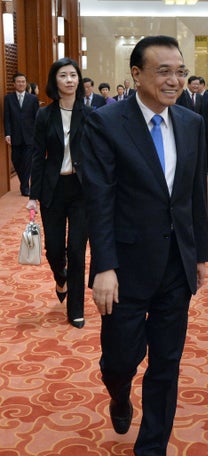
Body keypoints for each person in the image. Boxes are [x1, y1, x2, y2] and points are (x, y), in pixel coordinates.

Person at [82, 35, 208, 456]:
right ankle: (118, 393)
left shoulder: (194, 122)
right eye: (163, 71)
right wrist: (104, 267)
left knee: (167, 365)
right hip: (127, 267)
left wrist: (200, 256)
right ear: (137, 74)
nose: (174, 80)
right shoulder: (106, 123)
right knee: (120, 358)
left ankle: (151, 455)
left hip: (176, 264)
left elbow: (194, 195)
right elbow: (100, 197)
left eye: (179, 70)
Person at [26, 58, 91, 328]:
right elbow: (37, 156)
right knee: (54, 249)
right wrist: (32, 194)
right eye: (63, 76)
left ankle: (76, 308)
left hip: (81, 190)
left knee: (76, 249)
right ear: (55, 81)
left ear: (79, 80)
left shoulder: (89, 114)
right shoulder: (44, 115)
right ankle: (60, 277)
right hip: (52, 188)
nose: (69, 80)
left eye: (73, 75)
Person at [4, 72, 39, 197]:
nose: (21, 84)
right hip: (15, 135)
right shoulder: (8, 99)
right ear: (14, 84)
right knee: (16, 160)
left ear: (26, 83)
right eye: (18, 82)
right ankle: (24, 182)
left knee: (28, 161)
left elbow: (37, 118)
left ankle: (25, 187)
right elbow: (6, 118)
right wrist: (7, 133)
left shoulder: (33, 99)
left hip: (30, 136)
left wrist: (37, 134)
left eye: (23, 82)